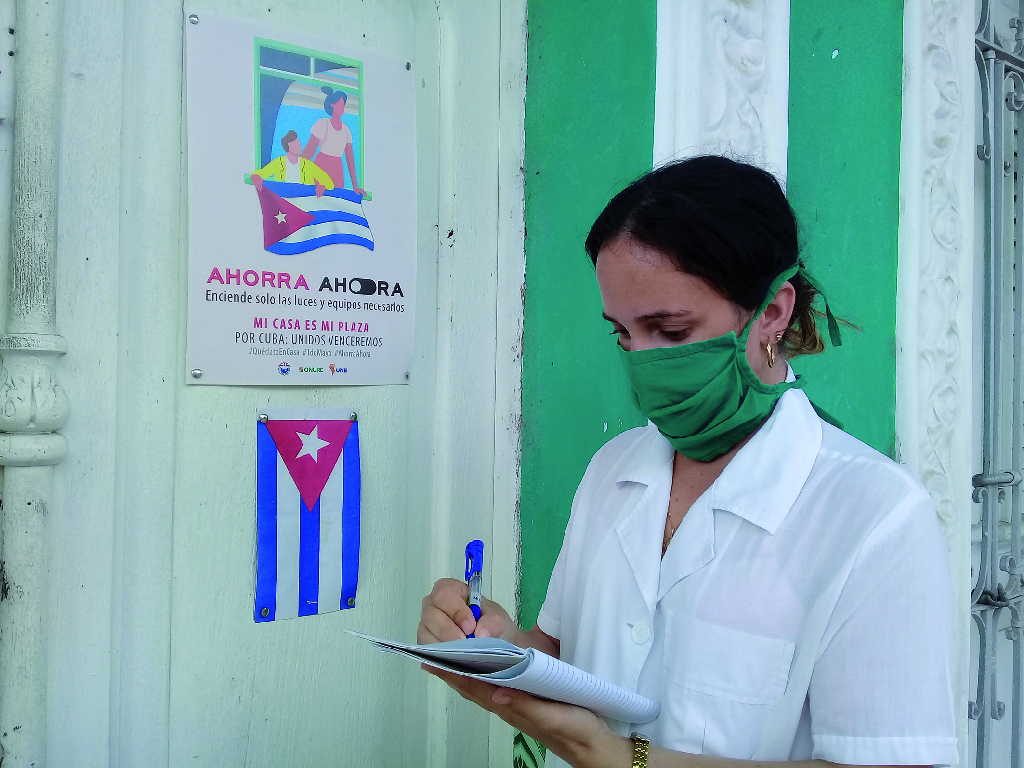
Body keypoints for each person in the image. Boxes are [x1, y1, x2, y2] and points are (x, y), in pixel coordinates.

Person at [418, 156, 956, 768]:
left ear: (772, 314)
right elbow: (569, 659)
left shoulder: (875, 518)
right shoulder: (612, 471)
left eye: (670, 331)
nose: (643, 362)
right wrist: (499, 648)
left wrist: (622, 759)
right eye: (622, 334)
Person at [303, 86, 365, 196]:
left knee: (335, 199)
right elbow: (309, 152)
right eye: (340, 104)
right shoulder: (323, 124)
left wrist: (355, 186)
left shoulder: (346, 130)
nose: (343, 108)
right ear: (332, 105)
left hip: (337, 171)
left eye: (344, 105)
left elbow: (350, 160)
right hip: (321, 167)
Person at [251, 129, 333, 197]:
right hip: (285, 203)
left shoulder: (308, 165)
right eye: (296, 143)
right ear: (288, 146)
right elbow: (260, 174)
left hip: (304, 203)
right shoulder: (278, 163)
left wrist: (323, 187)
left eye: (299, 143)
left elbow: (328, 182)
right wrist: (256, 177)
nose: (299, 146)